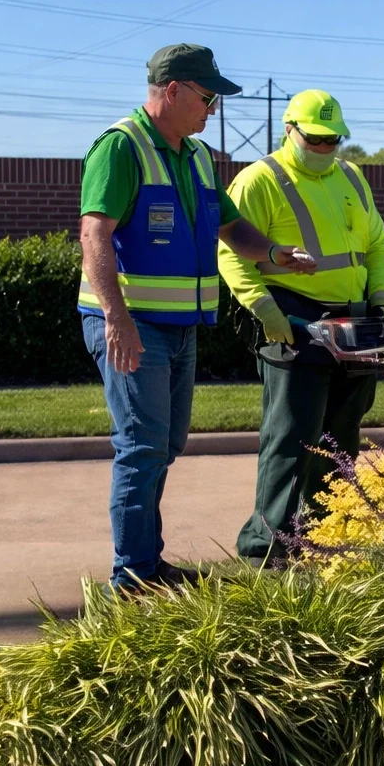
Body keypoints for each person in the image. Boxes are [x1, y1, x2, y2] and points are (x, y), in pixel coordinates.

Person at [78, 44, 315, 592]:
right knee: (141, 445)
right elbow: (95, 234)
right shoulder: (121, 148)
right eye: (208, 97)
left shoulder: (198, 157)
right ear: (173, 90)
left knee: (165, 445)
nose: (214, 109)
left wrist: (276, 255)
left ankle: (146, 563)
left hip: (181, 325)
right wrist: (117, 319)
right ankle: (133, 575)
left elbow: (231, 228)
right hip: (132, 324)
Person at [218, 89, 384, 566]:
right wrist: (267, 313)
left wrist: (381, 301)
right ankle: (267, 549)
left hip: (356, 320)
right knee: (291, 436)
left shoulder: (353, 178)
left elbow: (377, 245)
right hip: (294, 319)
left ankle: (324, 536)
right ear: (289, 130)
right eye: (314, 138)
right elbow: (231, 254)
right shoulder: (259, 180)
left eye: (332, 139)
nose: (323, 147)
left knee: (341, 435)